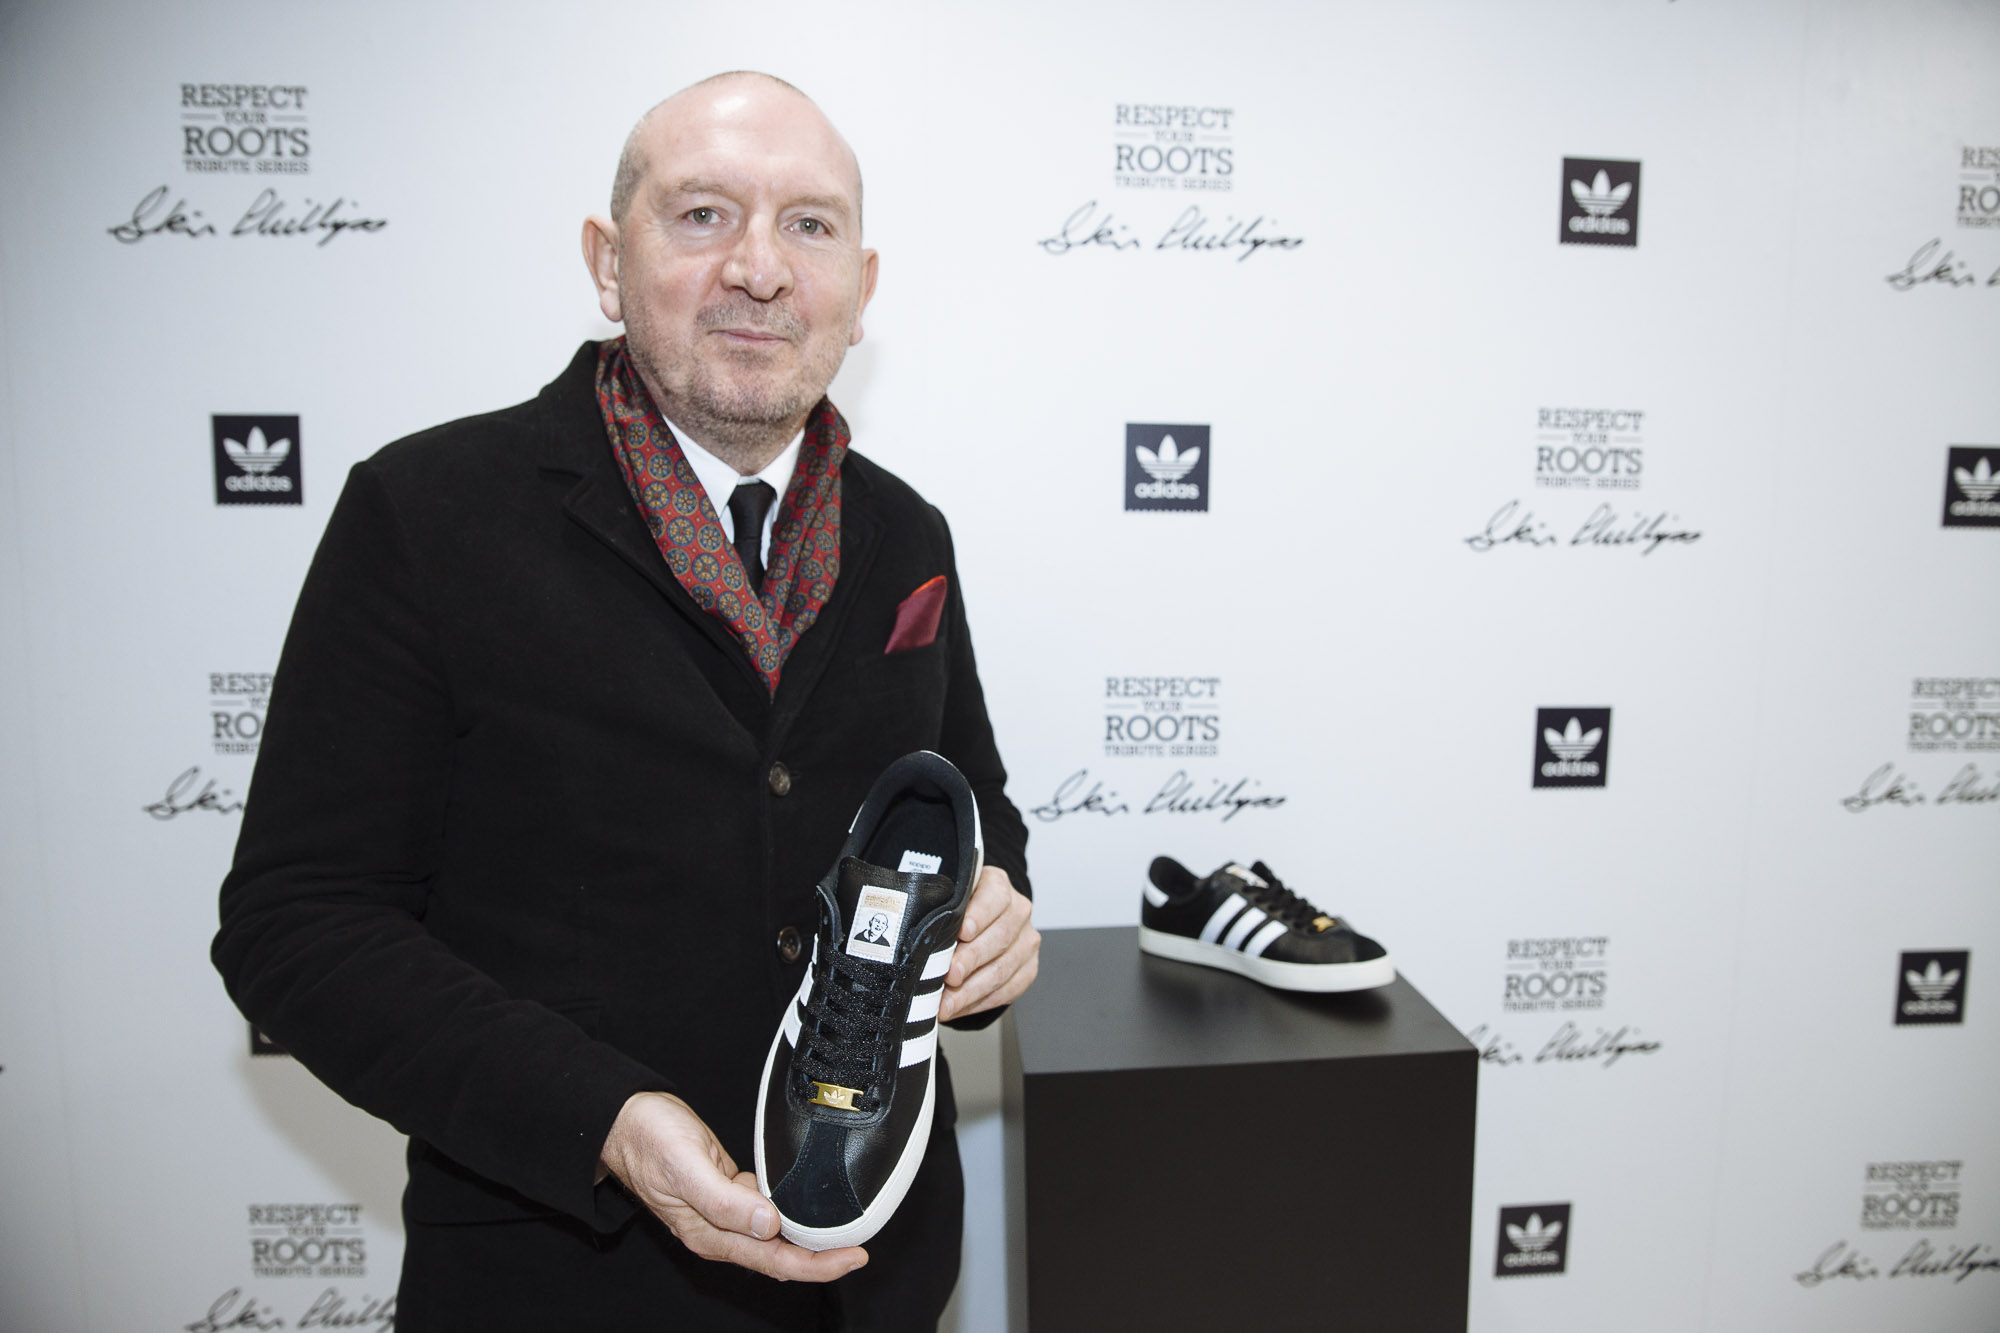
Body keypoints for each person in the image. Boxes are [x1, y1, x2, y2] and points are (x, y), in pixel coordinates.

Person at [213, 71, 1038, 1333]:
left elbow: (970, 801)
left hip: (878, 1277)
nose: (759, 268)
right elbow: (298, 924)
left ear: (860, 287)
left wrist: (995, 916)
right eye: (703, 214)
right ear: (608, 262)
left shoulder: (904, 532)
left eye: (809, 225)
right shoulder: (425, 514)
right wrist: (600, 1119)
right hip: (560, 1277)